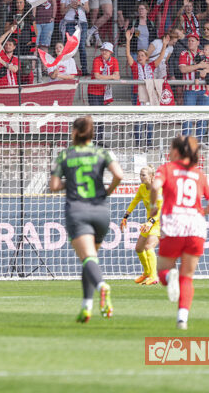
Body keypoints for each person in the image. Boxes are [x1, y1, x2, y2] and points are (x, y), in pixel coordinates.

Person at [49, 115, 123, 324]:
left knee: (88, 258)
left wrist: (69, 184)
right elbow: (119, 174)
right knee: (91, 260)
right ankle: (86, 307)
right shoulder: (102, 152)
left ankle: (102, 286)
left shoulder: (65, 155)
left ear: (74, 132)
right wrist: (108, 190)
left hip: (78, 210)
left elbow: (53, 186)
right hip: (101, 210)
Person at [151, 134, 209, 331]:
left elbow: (155, 186)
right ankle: (182, 319)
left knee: (163, 271)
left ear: (175, 151)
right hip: (196, 226)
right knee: (187, 277)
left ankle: (168, 277)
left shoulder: (166, 168)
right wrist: (202, 213)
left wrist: (153, 206)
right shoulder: (199, 174)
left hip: (174, 224)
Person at [120, 165, 161, 285]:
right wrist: (125, 216)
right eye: (140, 175)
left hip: (160, 222)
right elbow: (135, 201)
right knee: (139, 248)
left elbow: (160, 209)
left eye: (143, 175)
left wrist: (150, 222)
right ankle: (147, 272)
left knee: (149, 246)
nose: (141, 177)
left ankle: (154, 276)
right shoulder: (142, 188)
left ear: (152, 176)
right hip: (149, 222)